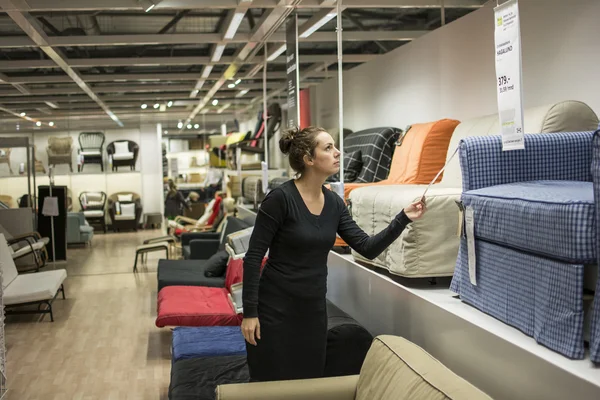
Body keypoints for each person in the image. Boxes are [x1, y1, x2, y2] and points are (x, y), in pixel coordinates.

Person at [241, 126, 427, 382]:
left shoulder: (334, 203)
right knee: (271, 386)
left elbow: (366, 247)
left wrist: (403, 218)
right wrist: (250, 314)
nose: (338, 152)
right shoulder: (280, 199)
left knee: (309, 384)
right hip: (274, 312)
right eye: (328, 148)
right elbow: (252, 258)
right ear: (309, 159)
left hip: (312, 313)